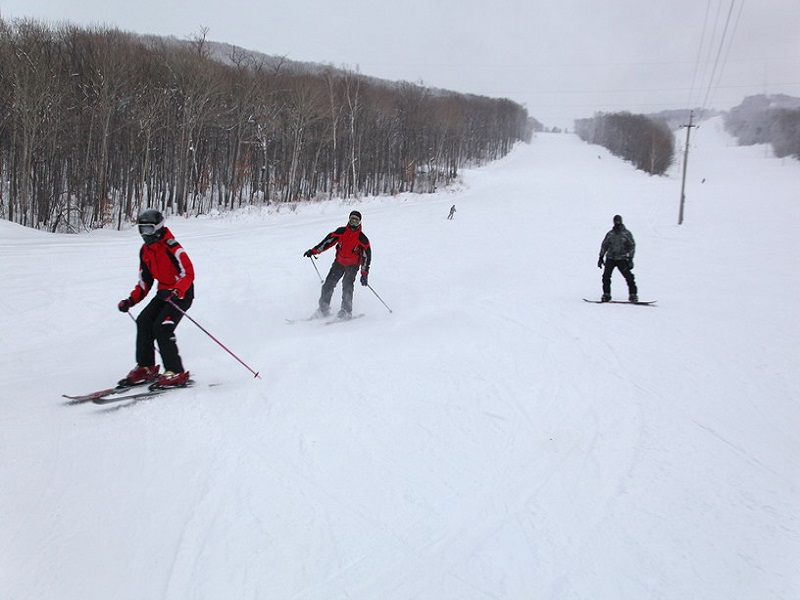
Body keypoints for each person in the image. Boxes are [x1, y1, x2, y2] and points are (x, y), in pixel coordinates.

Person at [117, 209, 195, 388]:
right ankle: (146, 367)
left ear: (158, 228)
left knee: (162, 327)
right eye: (142, 229)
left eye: (149, 229)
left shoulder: (172, 247)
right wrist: (131, 300)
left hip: (181, 294)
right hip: (163, 294)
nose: (145, 234)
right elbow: (145, 281)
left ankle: (175, 372)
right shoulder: (145, 251)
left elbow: (188, 273)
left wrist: (175, 291)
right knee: (144, 321)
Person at [304, 210, 371, 319]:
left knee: (347, 285)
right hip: (339, 263)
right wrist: (313, 251)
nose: (354, 223)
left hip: (352, 265)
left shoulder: (362, 239)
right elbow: (327, 242)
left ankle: (346, 311)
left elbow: (366, 257)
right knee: (328, 285)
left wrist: (364, 274)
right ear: (349, 220)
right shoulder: (341, 232)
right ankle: (323, 309)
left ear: (360, 222)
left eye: (356, 221)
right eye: (352, 220)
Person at [597, 214, 638, 302]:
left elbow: (632, 245)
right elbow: (604, 245)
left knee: (629, 277)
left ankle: (633, 294)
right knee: (606, 277)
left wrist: (630, 258)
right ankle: (606, 294)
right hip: (610, 258)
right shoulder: (610, 234)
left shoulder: (626, 234)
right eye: (615, 221)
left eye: (618, 221)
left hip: (622, 259)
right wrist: (601, 257)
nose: (617, 223)